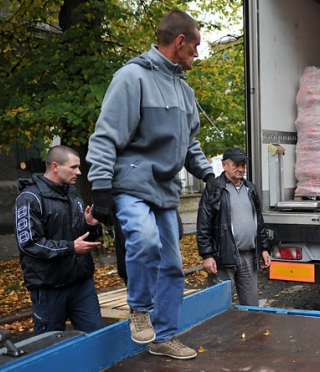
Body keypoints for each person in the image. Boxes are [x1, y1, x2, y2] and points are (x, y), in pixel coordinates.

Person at [86, 10, 221, 360]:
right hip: (130, 182)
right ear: (179, 42)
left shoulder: (184, 91)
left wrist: (207, 174)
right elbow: (105, 136)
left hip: (164, 191)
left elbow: (189, 144)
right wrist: (100, 187)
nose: (197, 53)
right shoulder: (132, 78)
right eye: (195, 46)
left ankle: (164, 337)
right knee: (145, 242)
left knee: (173, 266)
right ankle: (139, 309)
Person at [13, 145, 103, 335]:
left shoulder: (73, 196)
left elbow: (83, 237)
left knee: (94, 338)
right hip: (49, 289)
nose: (79, 172)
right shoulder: (29, 199)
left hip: (81, 284)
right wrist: (71, 248)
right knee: (49, 347)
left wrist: (91, 225)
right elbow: (29, 243)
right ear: (55, 166)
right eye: (73, 167)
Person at [197, 148, 272, 306]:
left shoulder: (250, 188)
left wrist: (264, 248)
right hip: (223, 257)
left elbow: (258, 220)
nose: (241, 169)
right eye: (236, 165)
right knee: (219, 306)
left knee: (251, 305)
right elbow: (204, 224)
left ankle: (251, 331)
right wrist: (207, 255)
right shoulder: (214, 189)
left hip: (249, 257)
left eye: (243, 165)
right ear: (225, 165)